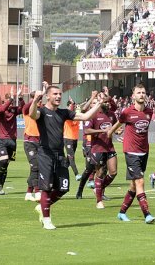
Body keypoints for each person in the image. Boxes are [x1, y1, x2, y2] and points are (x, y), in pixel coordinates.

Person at [29, 85, 102, 230]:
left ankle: (43, 206)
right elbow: (32, 114)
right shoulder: (42, 112)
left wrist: (99, 102)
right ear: (47, 96)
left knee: (64, 188)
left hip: (60, 155)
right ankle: (47, 219)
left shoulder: (63, 113)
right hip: (45, 154)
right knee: (47, 188)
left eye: (60, 94)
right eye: (55, 94)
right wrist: (36, 98)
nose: (58, 96)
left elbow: (85, 116)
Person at [106, 83, 155, 224]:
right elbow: (118, 124)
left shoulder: (149, 112)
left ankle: (122, 212)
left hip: (144, 151)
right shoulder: (127, 112)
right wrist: (111, 133)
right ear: (133, 96)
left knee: (134, 186)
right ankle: (147, 214)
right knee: (140, 181)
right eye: (139, 92)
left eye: (143, 92)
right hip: (131, 151)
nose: (141, 95)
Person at [83, 94, 117, 209]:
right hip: (97, 148)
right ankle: (99, 201)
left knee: (113, 172)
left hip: (110, 147)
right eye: (105, 102)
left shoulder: (112, 115)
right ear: (101, 103)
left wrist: (116, 131)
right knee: (100, 173)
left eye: (109, 102)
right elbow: (87, 130)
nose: (108, 104)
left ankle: (98, 189)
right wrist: (102, 130)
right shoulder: (94, 114)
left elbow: (115, 127)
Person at [0, 89, 24, 195]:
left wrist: (20, 98)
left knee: (6, 164)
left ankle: (1, 184)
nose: (11, 104)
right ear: (4, 101)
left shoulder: (13, 110)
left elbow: (24, 109)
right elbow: (1, 110)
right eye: (8, 101)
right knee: (3, 160)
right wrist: (11, 99)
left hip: (12, 140)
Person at [22, 91, 42, 202]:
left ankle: (28, 192)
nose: (39, 102)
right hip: (29, 141)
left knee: (35, 168)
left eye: (40, 100)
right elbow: (26, 106)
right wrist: (35, 98)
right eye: (38, 100)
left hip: (41, 142)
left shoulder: (41, 111)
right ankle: (37, 191)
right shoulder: (27, 110)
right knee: (35, 166)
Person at [63, 97, 81, 180]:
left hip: (75, 138)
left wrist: (77, 108)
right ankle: (76, 174)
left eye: (73, 105)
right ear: (68, 106)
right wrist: (76, 108)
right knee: (71, 157)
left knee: (68, 158)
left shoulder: (76, 113)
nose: (73, 107)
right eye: (71, 105)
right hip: (67, 138)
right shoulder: (66, 114)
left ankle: (62, 171)